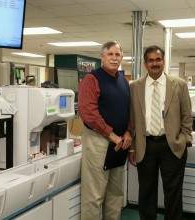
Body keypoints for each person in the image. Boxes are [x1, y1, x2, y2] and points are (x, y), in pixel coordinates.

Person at [129, 45, 193, 220]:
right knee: (146, 192)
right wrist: (132, 148)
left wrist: (185, 138)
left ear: (163, 62)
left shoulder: (178, 85)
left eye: (158, 59)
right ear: (145, 64)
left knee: (173, 192)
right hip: (145, 146)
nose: (154, 63)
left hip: (171, 145)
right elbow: (132, 120)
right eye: (150, 60)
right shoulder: (135, 86)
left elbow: (187, 116)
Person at [78, 41, 132, 220]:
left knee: (115, 194)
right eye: (110, 54)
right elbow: (88, 114)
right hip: (99, 141)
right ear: (102, 56)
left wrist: (127, 132)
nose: (114, 58)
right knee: (94, 195)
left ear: (121, 58)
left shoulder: (123, 81)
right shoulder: (91, 79)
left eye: (118, 55)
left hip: (119, 143)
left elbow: (128, 110)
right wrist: (112, 135)